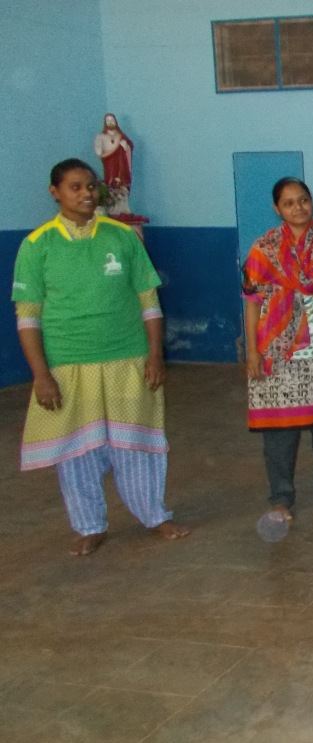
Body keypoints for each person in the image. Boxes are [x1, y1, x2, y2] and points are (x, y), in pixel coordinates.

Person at [11, 159, 189, 556]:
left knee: (137, 441)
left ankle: (154, 515)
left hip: (127, 358)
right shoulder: (37, 245)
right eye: (75, 187)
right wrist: (41, 375)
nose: (86, 194)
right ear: (55, 192)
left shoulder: (122, 236)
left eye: (91, 186)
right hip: (68, 363)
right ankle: (89, 525)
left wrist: (155, 354)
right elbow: (28, 317)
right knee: (78, 449)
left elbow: (148, 301)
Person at [242, 177, 313, 524]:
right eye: (289, 203)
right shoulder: (263, 248)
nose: (299, 208)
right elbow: (252, 302)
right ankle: (281, 498)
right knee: (279, 431)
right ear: (277, 208)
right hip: (278, 354)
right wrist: (252, 351)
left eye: (304, 200)